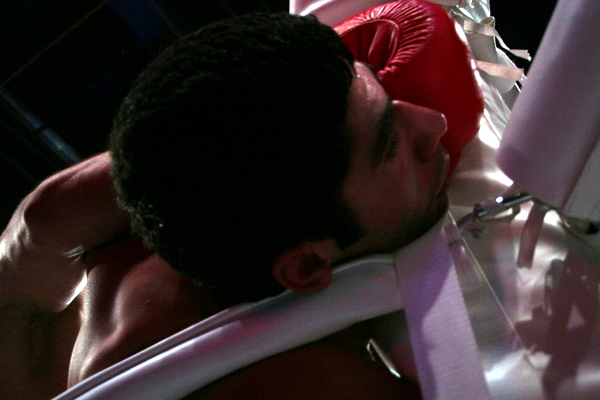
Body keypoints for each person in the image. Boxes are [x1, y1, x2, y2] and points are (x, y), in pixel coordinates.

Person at [0, 12, 449, 400]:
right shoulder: (306, 384)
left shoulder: (84, 203)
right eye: (389, 146)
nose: (437, 122)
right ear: (308, 265)